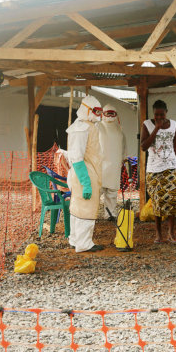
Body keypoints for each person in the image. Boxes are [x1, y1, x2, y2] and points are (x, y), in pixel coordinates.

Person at [140, 100, 176, 243]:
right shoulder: (146, 124)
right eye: (156, 115)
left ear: (166, 112)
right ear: (153, 114)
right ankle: (158, 234)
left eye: (161, 114)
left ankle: (171, 233)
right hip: (154, 169)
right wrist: (156, 128)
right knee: (158, 202)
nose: (159, 117)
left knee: (173, 200)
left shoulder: (173, 125)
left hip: (171, 167)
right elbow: (143, 146)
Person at [66, 95, 104, 253]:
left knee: (77, 207)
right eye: (96, 111)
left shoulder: (84, 126)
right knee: (86, 208)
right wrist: (86, 182)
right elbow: (77, 157)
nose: (99, 114)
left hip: (84, 172)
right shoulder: (82, 128)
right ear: (87, 110)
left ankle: (75, 239)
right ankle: (84, 243)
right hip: (85, 173)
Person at [98, 104, 127, 221]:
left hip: (114, 165)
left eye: (112, 113)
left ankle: (110, 214)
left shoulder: (120, 129)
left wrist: (123, 159)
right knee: (97, 191)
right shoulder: (98, 126)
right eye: (107, 113)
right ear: (102, 114)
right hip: (99, 165)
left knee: (112, 192)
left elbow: (124, 147)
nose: (110, 116)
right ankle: (89, 214)